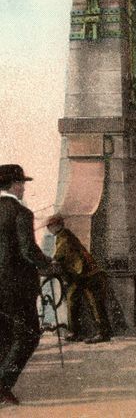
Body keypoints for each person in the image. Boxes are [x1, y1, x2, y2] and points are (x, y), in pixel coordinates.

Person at [0, 164, 53, 406]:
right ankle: (3, 384)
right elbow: (28, 250)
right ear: (14, 185)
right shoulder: (20, 212)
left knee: (4, 335)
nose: (23, 188)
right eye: (22, 184)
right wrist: (49, 265)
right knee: (29, 334)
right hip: (16, 286)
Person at [46, 215, 111, 344]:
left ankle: (101, 333)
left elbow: (59, 255)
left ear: (58, 225)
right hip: (79, 275)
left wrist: (49, 263)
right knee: (73, 300)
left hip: (87, 274)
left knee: (94, 303)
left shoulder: (64, 237)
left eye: (50, 226)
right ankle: (75, 332)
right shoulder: (63, 236)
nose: (49, 229)